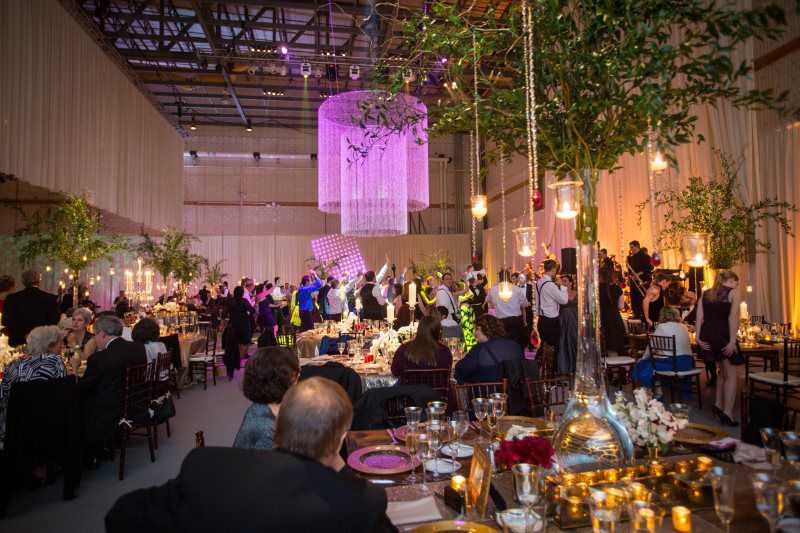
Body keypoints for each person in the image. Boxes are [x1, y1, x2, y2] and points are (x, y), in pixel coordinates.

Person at [106, 377, 394, 533]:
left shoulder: (206, 467)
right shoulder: (360, 502)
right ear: (342, 438)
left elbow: (120, 515)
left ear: (279, 423)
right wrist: (342, 469)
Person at [78, 315, 147, 467]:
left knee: (75, 402)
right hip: (136, 401)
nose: (94, 339)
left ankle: (88, 452)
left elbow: (83, 387)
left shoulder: (100, 358)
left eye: (95, 335)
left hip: (111, 408)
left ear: (102, 334)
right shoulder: (138, 348)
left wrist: (74, 372)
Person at [0, 325, 67, 444]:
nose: (62, 347)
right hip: (45, 426)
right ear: (50, 346)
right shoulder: (55, 362)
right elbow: (62, 397)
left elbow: (3, 397)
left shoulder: (13, 364)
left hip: (14, 426)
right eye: (60, 343)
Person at [696, 270, 742, 426]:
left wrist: (697, 337)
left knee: (722, 372)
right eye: (737, 282)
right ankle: (728, 413)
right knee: (732, 375)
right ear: (731, 281)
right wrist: (732, 341)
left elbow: (699, 316)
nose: (737, 285)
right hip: (723, 333)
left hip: (708, 334)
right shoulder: (734, 292)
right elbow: (733, 317)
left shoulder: (706, 293)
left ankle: (718, 404)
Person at [234, 347, 300, 451]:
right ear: (280, 382)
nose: (298, 378)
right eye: (294, 375)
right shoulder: (267, 430)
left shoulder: (262, 407)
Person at [631, 306, 697, 399]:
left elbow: (652, 348)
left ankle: (655, 394)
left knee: (646, 364)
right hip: (688, 362)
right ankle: (679, 393)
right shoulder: (683, 327)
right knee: (652, 364)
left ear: (662, 315)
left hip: (674, 364)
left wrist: (643, 358)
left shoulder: (661, 327)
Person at [455, 314, 525, 383]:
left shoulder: (480, 349)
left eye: (476, 329)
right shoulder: (514, 345)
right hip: (514, 391)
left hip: (488, 392)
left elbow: (462, 369)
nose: (474, 333)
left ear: (486, 329)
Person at [1, 270, 60, 347]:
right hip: (42, 342)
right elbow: (54, 321)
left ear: (23, 282)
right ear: (38, 281)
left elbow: (6, 321)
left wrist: (23, 334)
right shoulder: (50, 298)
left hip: (17, 341)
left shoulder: (12, 299)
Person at [390, 316, 452, 380]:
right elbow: (447, 374)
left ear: (419, 329)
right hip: (437, 390)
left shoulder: (403, 349)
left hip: (410, 389)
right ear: (438, 331)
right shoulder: (445, 351)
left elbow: (395, 372)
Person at [485, 269, 530, 349]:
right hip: (515, 321)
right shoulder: (516, 289)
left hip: (501, 322)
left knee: (503, 346)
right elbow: (525, 304)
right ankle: (517, 360)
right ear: (509, 277)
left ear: (499, 278)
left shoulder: (494, 289)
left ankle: (504, 360)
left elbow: (487, 300)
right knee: (517, 345)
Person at [535, 260, 569, 362]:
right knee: (554, 349)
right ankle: (551, 374)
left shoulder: (539, 282)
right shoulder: (550, 285)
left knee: (544, 347)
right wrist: (562, 286)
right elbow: (564, 300)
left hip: (541, 320)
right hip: (550, 321)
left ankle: (541, 369)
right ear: (553, 270)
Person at [223, 285, 254, 378]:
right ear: (242, 293)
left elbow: (224, 313)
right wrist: (255, 304)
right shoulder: (244, 301)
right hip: (244, 325)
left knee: (235, 344)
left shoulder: (230, 302)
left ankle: (234, 362)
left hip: (233, 326)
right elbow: (252, 311)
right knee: (245, 343)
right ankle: (238, 362)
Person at [598, 267, 629, 356]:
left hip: (603, 318)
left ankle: (613, 367)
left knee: (608, 347)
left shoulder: (597, 288)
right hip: (615, 319)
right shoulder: (617, 288)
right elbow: (621, 306)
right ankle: (621, 366)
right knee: (617, 345)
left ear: (600, 277)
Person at [436, 272, 468, 340]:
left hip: (452, 320)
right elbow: (443, 309)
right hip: (447, 322)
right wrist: (452, 320)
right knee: (452, 341)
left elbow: (466, 290)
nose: (449, 281)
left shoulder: (447, 290)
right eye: (447, 279)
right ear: (442, 280)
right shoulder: (441, 291)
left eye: (450, 279)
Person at [557, 274, 578, 374]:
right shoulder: (560, 293)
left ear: (571, 283)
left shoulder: (577, 292)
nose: (563, 283)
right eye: (562, 281)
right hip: (563, 319)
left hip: (575, 319)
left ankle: (577, 366)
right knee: (564, 341)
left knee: (575, 341)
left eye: (565, 281)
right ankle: (565, 368)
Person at [627, 240, 653, 321]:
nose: (631, 250)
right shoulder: (631, 258)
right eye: (630, 248)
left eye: (632, 248)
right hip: (633, 281)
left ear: (637, 246)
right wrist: (629, 278)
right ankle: (636, 314)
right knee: (634, 297)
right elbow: (630, 270)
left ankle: (644, 314)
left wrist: (638, 274)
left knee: (641, 297)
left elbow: (650, 267)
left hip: (643, 279)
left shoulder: (645, 257)